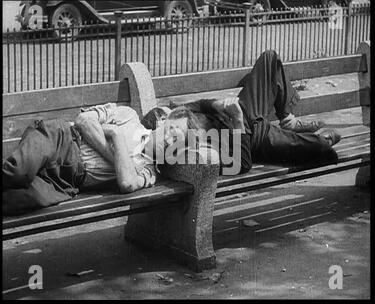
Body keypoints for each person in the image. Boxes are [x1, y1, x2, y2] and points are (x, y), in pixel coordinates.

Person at [143, 50, 341, 174]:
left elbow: (201, 104)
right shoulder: (197, 152)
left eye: (168, 120)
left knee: (269, 59)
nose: (171, 127)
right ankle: (321, 139)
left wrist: (217, 105)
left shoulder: (180, 116)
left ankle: (287, 119)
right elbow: (242, 164)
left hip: (245, 108)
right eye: (167, 130)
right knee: (320, 146)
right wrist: (238, 121)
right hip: (253, 137)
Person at [3, 103, 158, 215]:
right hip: (61, 139)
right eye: (172, 129)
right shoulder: (129, 116)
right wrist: (119, 158)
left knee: (17, 200)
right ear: (161, 120)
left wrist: (116, 137)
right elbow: (84, 120)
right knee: (17, 172)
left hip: (66, 182)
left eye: (179, 144)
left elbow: (128, 183)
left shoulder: (148, 171)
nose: (171, 141)